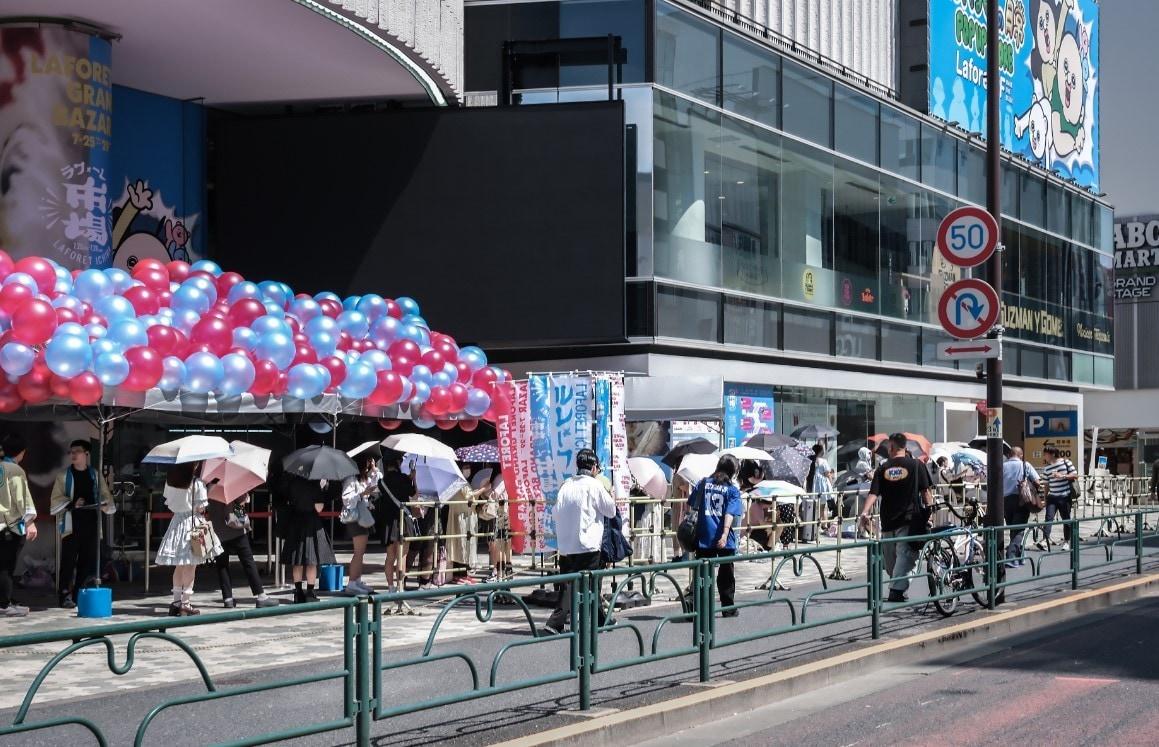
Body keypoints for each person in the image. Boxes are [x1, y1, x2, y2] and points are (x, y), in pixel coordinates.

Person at [543, 448, 617, 635]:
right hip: (588, 544)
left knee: (568, 586)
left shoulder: (566, 485)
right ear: (593, 468)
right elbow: (611, 511)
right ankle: (597, 621)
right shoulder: (594, 486)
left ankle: (558, 622)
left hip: (567, 545)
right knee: (593, 584)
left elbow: (556, 513)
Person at [859, 433, 933, 603]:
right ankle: (898, 585)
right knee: (902, 558)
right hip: (909, 519)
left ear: (891, 447)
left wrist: (864, 512)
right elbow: (926, 492)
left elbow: (873, 493)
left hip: (888, 521)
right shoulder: (916, 465)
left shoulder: (883, 468)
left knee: (900, 557)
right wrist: (930, 513)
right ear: (905, 447)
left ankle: (896, 591)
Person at [50, 440, 114, 609]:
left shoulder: (95, 474)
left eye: (77, 451)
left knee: (86, 562)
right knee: (68, 562)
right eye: (71, 451)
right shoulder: (64, 476)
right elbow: (55, 500)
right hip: (72, 524)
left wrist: (105, 503)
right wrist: (72, 503)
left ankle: (79, 594)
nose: (73, 454)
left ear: (86, 454)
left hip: (91, 523)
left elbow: (105, 496)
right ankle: (64, 595)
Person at [157, 462, 222, 616]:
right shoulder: (197, 483)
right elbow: (200, 508)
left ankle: (176, 602)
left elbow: (169, 503)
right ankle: (186, 603)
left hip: (177, 523)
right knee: (191, 565)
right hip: (192, 523)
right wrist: (208, 489)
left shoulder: (170, 481)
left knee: (180, 565)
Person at [689, 454, 744, 617]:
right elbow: (729, 514)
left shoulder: (703, 483)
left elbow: (692, 504)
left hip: (704, 535)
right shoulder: (732, 490)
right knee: (726, 574)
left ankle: (700, 609)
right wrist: (725, 533)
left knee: (703, 575)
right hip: (723, 539)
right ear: (733, 471)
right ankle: (728, 608)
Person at [207, 494, 277, 608]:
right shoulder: (233, 484)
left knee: (222, 565)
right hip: (236, 530)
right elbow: (241, 501)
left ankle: (227, 598)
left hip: (217, 531)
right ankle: (261, 595)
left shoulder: (210, 488)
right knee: (248, 561)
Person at [280, 475, 337, 604]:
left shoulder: (292, 482)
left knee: (297, 561)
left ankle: (298, 593)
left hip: (296, 522)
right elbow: (319, 508)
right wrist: (322, 489)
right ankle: (310, 593)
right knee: (311, 561)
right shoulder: (314, 484)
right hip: (311, 523)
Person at [0, 434, 37, 617]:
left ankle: (5, 601)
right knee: (6, 566)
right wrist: (30, 522)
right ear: (22, 452)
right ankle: (4, 604)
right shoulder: (14, 470)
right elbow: (22, 498)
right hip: (9, 525)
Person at [340, 454, 380, 595]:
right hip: (356, 518)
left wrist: (374, 470)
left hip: (362, 516)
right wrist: (362, 494)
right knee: (358, 552)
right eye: (367, 462)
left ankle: (356, 580)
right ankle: (352, 583)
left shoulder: (363, 478)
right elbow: (346, 499)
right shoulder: (351, 478)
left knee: (361, 552)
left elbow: (376, 482)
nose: (369, 465)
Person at [377, 451, 414, 603]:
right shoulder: (404, 479)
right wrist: (413, 479)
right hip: (403, 521)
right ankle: (401, 588)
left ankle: (391, 587)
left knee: (390, 557)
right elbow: (413, 493)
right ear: (398, 463)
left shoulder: (382, 482)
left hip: (388, 523)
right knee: (402, 557)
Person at [1001, 447, 1041, 565]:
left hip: (1005, 501)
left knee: (1012, 528)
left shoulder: (1002, 466)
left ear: (1009, 455)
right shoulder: (1025, 465)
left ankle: (1020, 554)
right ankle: (1011, 557)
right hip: (1021, 500)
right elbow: (1037, 481)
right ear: (1021, 455)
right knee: (1018, 530)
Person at [1036, 446, 1077, 551]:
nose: (1044, 456)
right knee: (1048, 519)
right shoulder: (1047, 468)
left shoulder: (1065, 462)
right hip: (1052, 497)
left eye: (1045, 454)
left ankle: (1066, 541)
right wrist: (1045, 499)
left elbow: (1075, 475)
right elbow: (1046, 485)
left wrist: (1062, 476)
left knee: (1066, 520)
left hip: (1065, 495)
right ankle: (1045, 540)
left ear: (1052, 454)